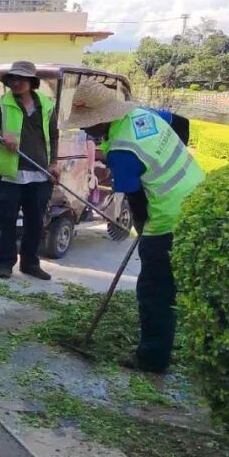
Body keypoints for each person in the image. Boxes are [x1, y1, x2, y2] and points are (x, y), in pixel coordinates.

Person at [64, 80, 204, 374]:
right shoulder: (144, 115)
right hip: (197, 196)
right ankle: (171, 343)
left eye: (88, 125)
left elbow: (137, 203)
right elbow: (181, 123)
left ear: (102, 120)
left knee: (154, 290)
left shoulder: (121, 152)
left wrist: (143, 234)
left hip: (167, 216)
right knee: (175, 284)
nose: (86, 131)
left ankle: (152, 359)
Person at [0, 61, 60, 280]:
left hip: (40, 173)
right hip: (9, 174)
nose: (17, 82)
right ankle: (4, 263)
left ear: (32, 82)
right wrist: (1, 137)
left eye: (22, 79)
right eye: (13, 78)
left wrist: (53, 163)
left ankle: (30, 264)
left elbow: (53, 135)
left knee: (36, 222)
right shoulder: (0, 104)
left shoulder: (46, 105)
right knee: (7, 220)